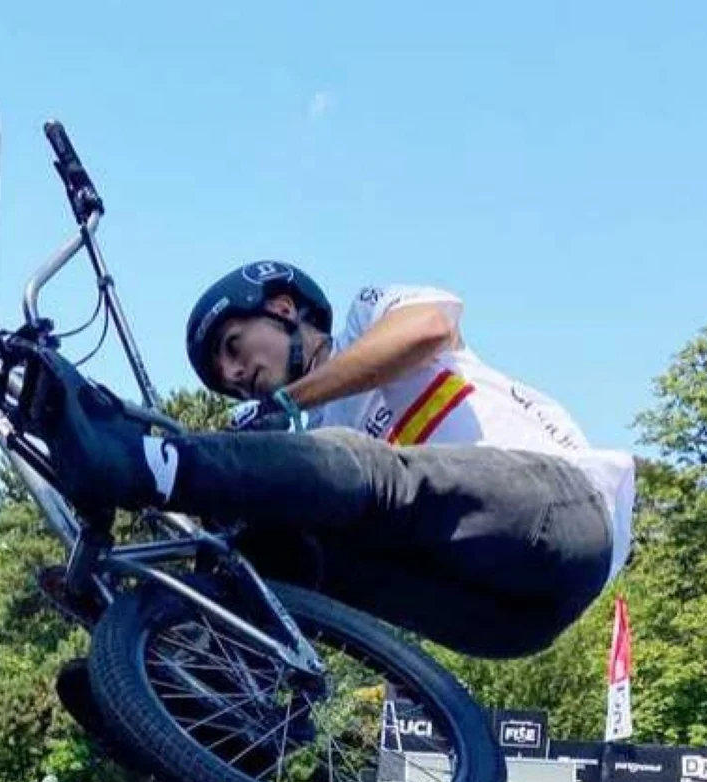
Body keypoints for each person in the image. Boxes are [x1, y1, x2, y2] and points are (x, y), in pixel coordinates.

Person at [44, 260, 634, 736]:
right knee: (270, 538)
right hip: (506, 623)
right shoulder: (302, 443)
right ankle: (223, 707)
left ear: (281, 309)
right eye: (223, 377)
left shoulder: (363, 321)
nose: (234, 375)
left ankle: (146, 463)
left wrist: (288, 404)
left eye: (233, 346)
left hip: (561, 518)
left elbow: (427, 329)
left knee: (356, 466)